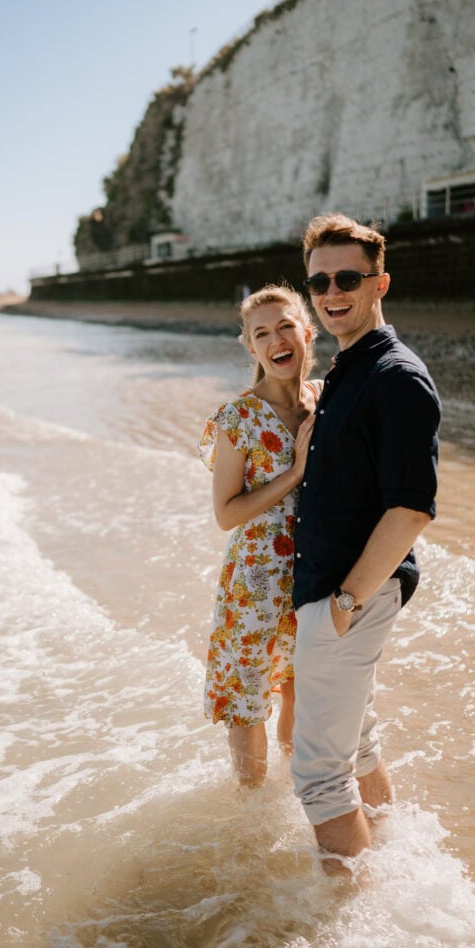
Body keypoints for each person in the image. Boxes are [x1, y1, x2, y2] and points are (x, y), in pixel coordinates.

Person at [290, 213, 441, 870]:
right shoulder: (349, 367)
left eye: (347, 277)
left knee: (318, 778)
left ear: (380, 282)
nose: (331, 292)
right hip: (335, 590)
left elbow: (410, 509)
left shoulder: (395, 377)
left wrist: (344, 603)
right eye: (319, 281)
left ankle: (347, 930)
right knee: (357, 748)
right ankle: (391, 856)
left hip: (348, 593)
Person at [199, 284, 323, 786]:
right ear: (251, 348)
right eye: (262, 333)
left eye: (286, 326)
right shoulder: (238, 419)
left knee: (300, 691)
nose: (277, 340)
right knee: (248, 703)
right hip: (254, 583)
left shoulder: (322, 399)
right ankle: (250, 818)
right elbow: (226, 515)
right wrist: (293, 472)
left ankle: (300, 796)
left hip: (313, 574)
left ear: (307, 332)